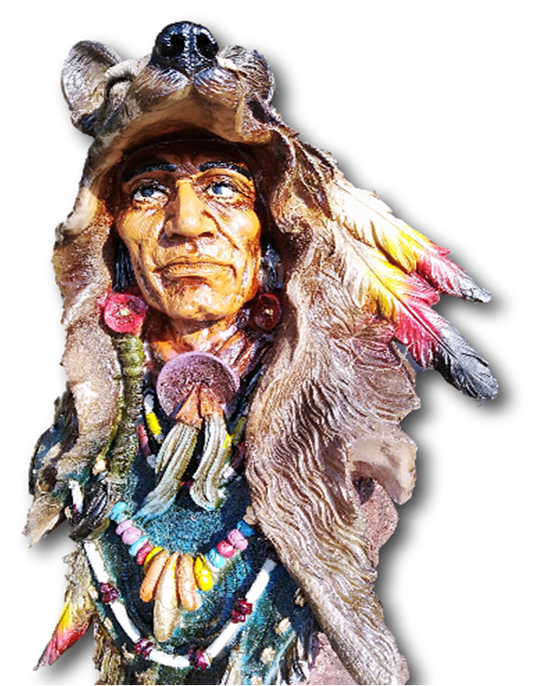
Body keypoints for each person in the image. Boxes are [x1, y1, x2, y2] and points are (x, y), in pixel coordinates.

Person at [26, 21, 497, 686]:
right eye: (148, 190)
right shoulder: (92, 426)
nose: (187, 224)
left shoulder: (334, 414)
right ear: (113, 235)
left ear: (271, 231)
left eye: (223, 187)